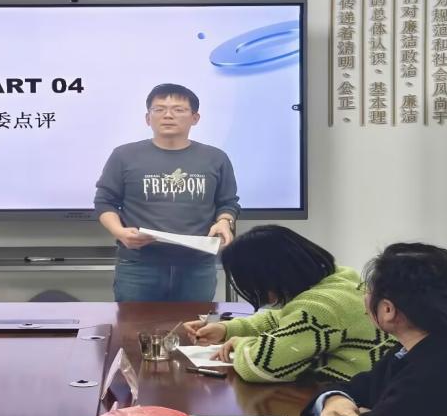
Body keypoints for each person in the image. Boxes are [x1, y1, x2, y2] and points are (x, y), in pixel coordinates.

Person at [302, 242, 447, 416]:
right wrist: (334, 399)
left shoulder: (437, 373)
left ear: (388, 310)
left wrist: (362, 415)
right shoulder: (427, 346)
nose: (364, 298)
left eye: (368, 290)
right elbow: (363, 386)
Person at [183, 226, 395, 382]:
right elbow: (284, 318)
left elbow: (259, 366)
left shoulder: (320, 307)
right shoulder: (341, 278)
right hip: (374, 386)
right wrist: (227, 329)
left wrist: (240, 343)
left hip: (357, 399)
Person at [94, 83, 240, 302]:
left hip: (197, 265)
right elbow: (105, 202)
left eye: (178, 109)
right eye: (159, 109)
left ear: (195, 118)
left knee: (193, 323)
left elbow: (227, 202)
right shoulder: (124, 155)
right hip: (139, 265)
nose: (168, 115)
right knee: (134, 324)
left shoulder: (215, 158)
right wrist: (120, 232)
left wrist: (224, 222)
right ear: (148, 118)